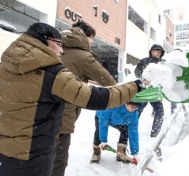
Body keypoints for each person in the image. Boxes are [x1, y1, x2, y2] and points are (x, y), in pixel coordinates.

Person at [0, 22, 145, 176]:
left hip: (6, 148)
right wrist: (135, 86)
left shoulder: (5, 65)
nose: (61, 51)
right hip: (37, 148)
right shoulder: (53, 73)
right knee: (58, 164)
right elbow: (100, 95)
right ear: (44, 40)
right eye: (58, 45)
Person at [52, 20, 117, 176]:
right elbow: (108, 81)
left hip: (39, 111)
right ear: (84, 35)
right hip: (62, 115)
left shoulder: (53, 47)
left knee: (40, 157)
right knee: (58, 162)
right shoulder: (82, 56)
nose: (92, 42)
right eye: (91, 38)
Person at [134, 44, 165, 138]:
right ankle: (131, 131)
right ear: (151, 51)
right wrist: (144, 80)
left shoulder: (163, 63)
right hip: (144, 91)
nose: (159, 52)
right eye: (157, 50)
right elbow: (137, 73)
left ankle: (155, 134)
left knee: (160, 112)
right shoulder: (144, 61)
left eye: (160, 51)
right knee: (137, 111)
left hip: (155, 92)